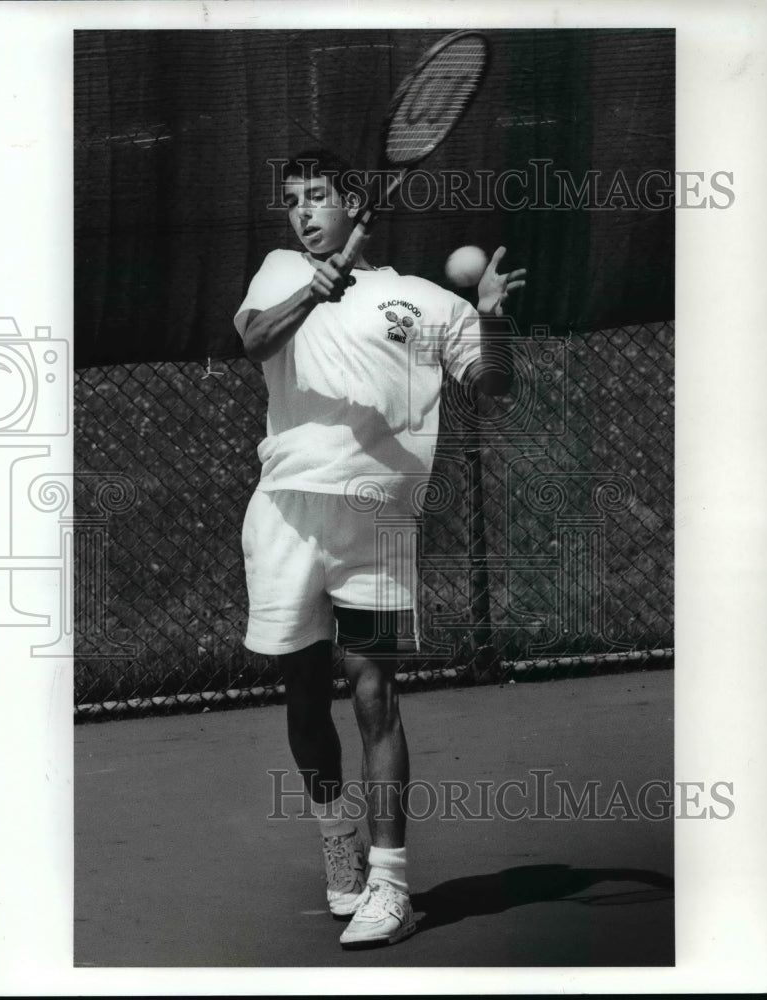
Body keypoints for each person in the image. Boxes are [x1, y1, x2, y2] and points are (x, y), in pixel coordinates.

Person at [233, 149, 526, 949]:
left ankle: (390, 885)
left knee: (373, 695)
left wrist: (491, 317)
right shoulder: (277, 270)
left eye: (318, 196)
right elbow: (257, 340)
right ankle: (339, 847)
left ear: (354, 202)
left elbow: (491, 383)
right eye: (291, 199)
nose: (302, 212)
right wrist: (313, 288)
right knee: (302, 692)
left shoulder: (421, 300)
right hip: (288, 518)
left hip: (377, 524)